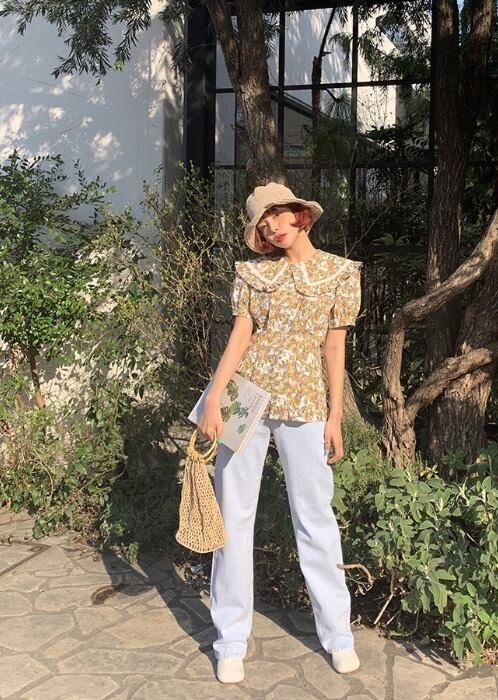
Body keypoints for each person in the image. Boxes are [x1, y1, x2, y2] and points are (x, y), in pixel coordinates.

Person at [198, 182, 363, 684]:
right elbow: (240, 337)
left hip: (307, 402)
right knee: (232, 517)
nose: (270, 227)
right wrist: (213, 398)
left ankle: (338, 634)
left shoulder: (339, 273)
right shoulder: (253, 274)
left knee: (315, 518)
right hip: (244, 400)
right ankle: (230, 639)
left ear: (299, 215)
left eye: (275, 215)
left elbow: (334, 348)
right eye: (261, 222)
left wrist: (335, 416)